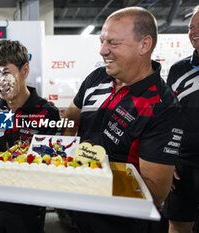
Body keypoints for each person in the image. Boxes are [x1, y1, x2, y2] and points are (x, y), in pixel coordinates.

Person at [62, 7, 182, 233]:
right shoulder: (97, 77)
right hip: (81, 212)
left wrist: (91, 176)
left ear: (144, 45)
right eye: (102, 41)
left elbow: (155, 192)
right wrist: (62, 153)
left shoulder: (162, 105)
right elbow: (70, 120)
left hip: (123, 223)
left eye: (113, 43)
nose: (102, 50)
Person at [0, 39, 60, 233]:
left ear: (25, 70)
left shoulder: (47, 112)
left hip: (27, 206)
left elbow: (51, 161)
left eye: (6, 72)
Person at [163, 3, 199, 233]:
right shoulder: (179, 71)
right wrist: (168, 160)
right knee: (179, 225)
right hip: (185, 165)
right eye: (191, 26)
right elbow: (168, 120)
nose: (194, 31)